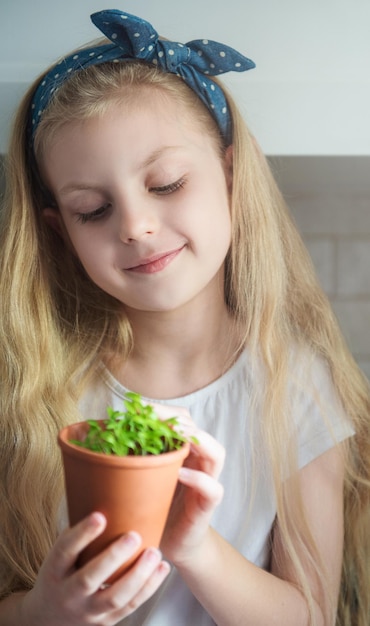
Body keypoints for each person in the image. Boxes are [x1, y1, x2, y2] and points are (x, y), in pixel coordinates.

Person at [0, 8, 369, 626]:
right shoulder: (36, 392)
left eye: (166, 183)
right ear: (61, 234)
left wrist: (194, 545)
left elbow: (308, 615)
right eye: (94, 210)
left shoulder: (296, 389)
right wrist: (43, 610)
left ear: (229, 175)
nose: (136, 226)